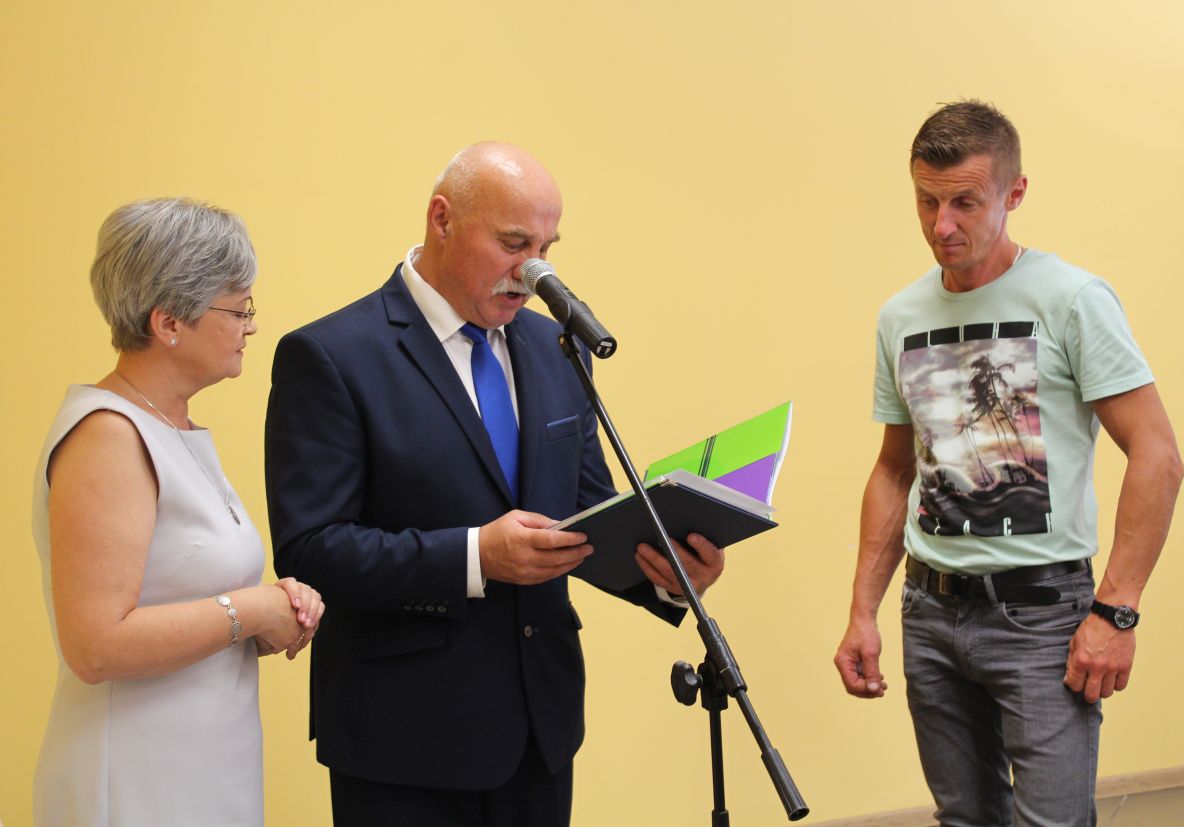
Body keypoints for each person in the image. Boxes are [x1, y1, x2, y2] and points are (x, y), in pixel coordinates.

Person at [264, 142, 725, 826]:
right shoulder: (331, 356)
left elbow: (585, 515)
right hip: (402, 742)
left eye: (545, 247)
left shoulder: (556, 348)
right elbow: (311, 550)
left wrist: (667, 572)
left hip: (540, 731)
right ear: (441, 219)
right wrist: (475, 555)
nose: (533, 272)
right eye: (514, 244)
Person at [833, 100, 1184, 826]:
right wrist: (862, 611)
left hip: (1042, 615)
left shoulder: (1072, 299)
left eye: (965, 202)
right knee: (963, 818)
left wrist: (1116, 611)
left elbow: (1158, 456)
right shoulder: (901, 317)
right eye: (926, 201)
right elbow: (894, 469)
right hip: (930, 612)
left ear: (1014, 193)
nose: (942, 225)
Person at [31, 198, 326, 827]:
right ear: (169, 323)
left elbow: (185, 599)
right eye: (239, 309)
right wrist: (252, 610)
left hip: (203, 768)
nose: (250, 326)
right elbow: (95, 645)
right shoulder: (109, 435)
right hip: (137, 779)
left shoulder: (173, 429)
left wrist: (277, 609)